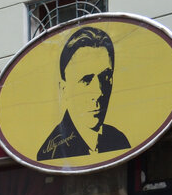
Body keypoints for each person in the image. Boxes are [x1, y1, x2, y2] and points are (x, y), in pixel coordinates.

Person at [36, 25, 130, 161]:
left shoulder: (118, 140)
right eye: (86, 80)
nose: (98, 92)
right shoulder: (51, 153)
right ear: (64, 89)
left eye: (105, 77)